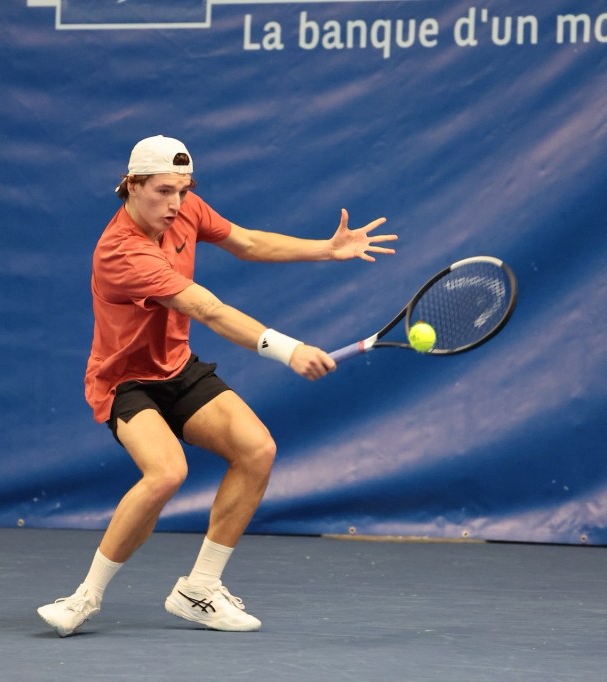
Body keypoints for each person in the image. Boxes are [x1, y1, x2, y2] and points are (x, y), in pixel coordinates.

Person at [37, 135, 397, 636]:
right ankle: (85, 596)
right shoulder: (120, 253)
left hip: (177, 367)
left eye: (183, 190)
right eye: (163, 191)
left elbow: (246, 242)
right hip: (125, 380)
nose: (176, 203)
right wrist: (290, 349)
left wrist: (327, 249)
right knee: (165, 473)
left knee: (256, 449)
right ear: (131, 185)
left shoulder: (183, 209)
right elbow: (207, 309)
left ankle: (199, 589)